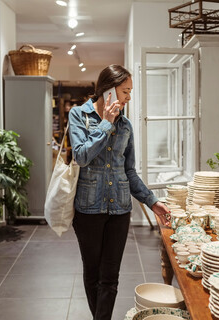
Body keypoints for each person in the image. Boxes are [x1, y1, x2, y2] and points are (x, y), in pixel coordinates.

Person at [68, 64, 170, 320]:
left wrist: (152, 201)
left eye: (129, 91)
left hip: (120, 210)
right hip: (88, 210)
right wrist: (106, 123)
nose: (128, 98)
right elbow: (81, 156)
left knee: (110, 278)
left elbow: (130, 171)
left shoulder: (125, 126)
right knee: (92, 273)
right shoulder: (79, 115)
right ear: (108, 90)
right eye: (125, 91)